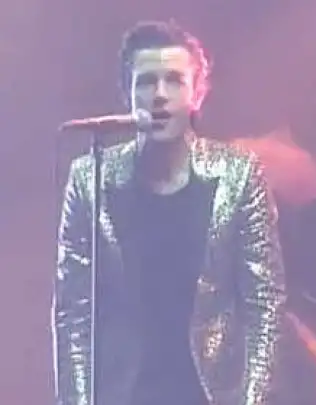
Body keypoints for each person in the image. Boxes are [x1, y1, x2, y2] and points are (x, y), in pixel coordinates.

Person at [52, 20, 286, 405]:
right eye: (146, 82)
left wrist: (253, 399)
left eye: (174, 81)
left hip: (211, 393)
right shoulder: (90, 178)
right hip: (123, 393)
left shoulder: (239, 175)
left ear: (198, 93)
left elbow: (265, 305)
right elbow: (73, 312)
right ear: (127, 93)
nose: (159, 95)